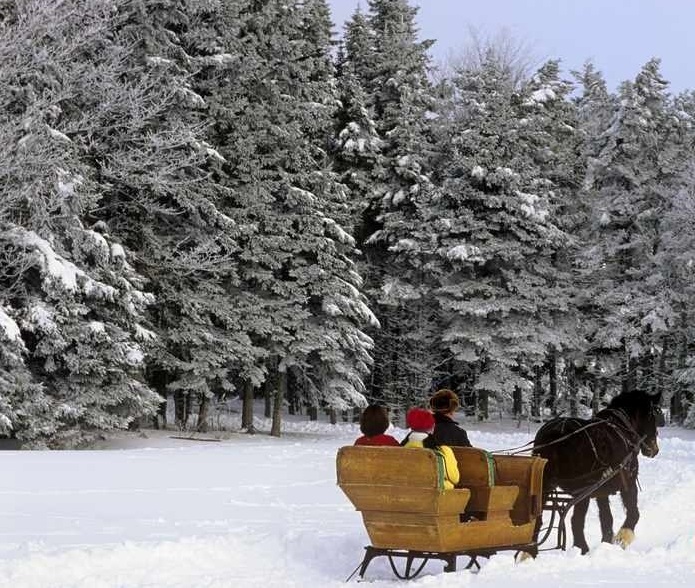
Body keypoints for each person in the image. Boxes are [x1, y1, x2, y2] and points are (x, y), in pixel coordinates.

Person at [402, 407, 460, 489]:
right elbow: (454, 478)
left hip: (406, 491)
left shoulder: (401, 449)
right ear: (432, 427)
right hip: (435, 494)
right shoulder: (442, 451)